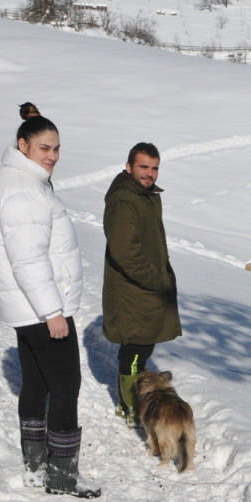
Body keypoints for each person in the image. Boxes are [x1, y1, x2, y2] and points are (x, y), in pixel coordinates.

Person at [0, 102, 101, 499]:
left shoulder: (16, 179)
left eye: (57, 148)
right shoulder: (22, 189)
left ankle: (35, 464)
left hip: (25, 305)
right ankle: (62, 477)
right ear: (23, 144)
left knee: (36, 381)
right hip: (39, 305)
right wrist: (53, 311)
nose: (52, 156)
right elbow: (28, 259)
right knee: (66, 385)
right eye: (44, 148)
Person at [102, 142, 182, 428]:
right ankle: (131, 408)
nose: (149, 174)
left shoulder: (145, 195)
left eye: (154, 168)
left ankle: (131, 402)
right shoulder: (125, 200)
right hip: (134, 292)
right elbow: (126, 253)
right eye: (143, 167)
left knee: (141, 349)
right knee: (134, 353)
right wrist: (157, 280)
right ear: (129, 167)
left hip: (143, 291)